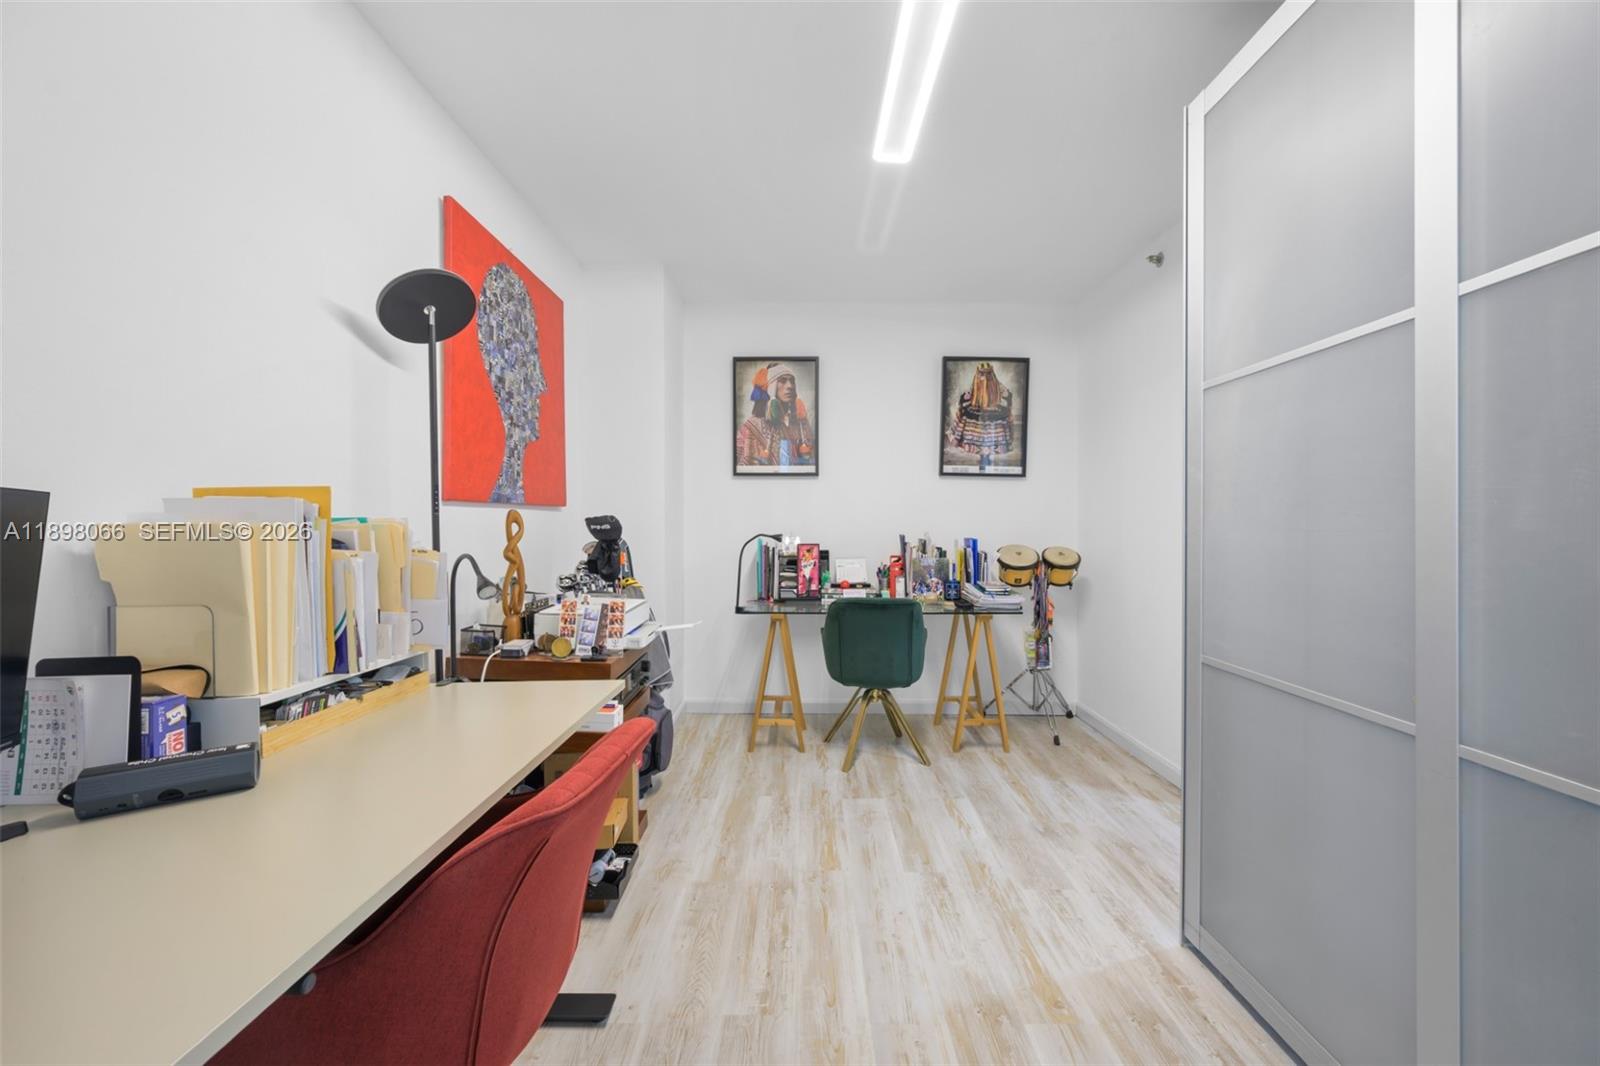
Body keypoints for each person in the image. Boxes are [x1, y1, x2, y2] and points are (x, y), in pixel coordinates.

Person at [737, 362, 814, 469]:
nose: (790, 386)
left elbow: (811, 461)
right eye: (782, 381)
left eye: (792, 381)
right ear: (771, 387)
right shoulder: (752, 426)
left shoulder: (801, 423)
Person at [948, 361, 1014, 471]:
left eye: (987, 374)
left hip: (993, 415)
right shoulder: (976, 383)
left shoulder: (996, 384)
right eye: (982, 374)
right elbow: (969, 395)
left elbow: (1006, 396)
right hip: (977, 416)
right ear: (978, 373)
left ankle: (985, 466)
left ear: (991, 373)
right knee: (981, 445)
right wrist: (965, 400)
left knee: (987, 445)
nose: (984, 377)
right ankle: (983, 466)